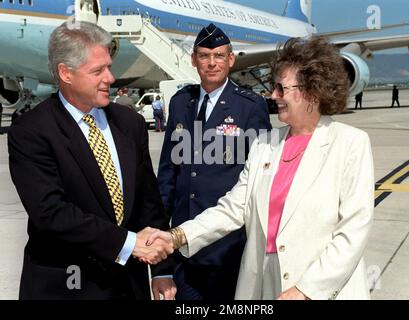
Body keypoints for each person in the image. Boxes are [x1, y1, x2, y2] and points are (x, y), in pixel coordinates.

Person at [149, 37, 374, 300]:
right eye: (273, 87)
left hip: (321, 289)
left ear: (312, 91)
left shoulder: (350, 143)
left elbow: (354, 230)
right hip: (265, 285)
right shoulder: (266, 144)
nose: (273, 95)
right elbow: (234, 207)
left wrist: (307, 290)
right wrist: (176, 236)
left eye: (281, 88)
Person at [8, 21, 175, 300]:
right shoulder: (32, 132)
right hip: (67, 286)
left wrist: (162, 271)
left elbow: (149, 202)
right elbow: (51, 213)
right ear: (66, 73)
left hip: (128, 286)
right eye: (97, 71)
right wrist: (130, 243)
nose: (110, 78)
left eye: (109, 66)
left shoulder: (129, 123)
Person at [157, 23, 272, 300]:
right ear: (193, 59)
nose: (212, 63)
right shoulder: (180, 103)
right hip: (184, 247)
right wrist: (163, 263)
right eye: (205, 56)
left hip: (228, 248)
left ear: (231, 60)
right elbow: (167, 177)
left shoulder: (250, 107)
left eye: (219, 56)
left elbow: (262, 179)